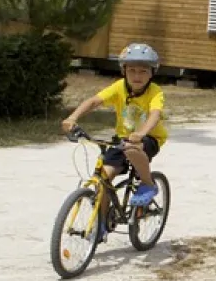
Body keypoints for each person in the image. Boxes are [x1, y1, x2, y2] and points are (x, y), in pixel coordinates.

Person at [60, 42, 167, 208]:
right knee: (103, 178)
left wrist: (141, 133)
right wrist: (72, 118)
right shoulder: (119, 87)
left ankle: (148, 184)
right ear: (124, 71)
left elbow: (155, 115)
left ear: (152, 73)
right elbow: (95, 101)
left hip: (149, 138)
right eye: (131, 70)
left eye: (143, 71)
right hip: (122, 138)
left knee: (132, 148)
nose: (137, 76)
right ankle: (100, 227)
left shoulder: (155, 92)